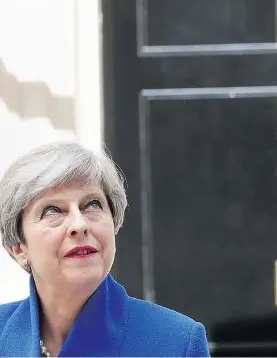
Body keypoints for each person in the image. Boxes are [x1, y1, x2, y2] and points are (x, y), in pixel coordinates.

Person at [0, 142, 210, 357]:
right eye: (52, 210)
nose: (79, 225)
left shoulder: (177, 342)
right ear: (18, 248)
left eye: (92, 204)